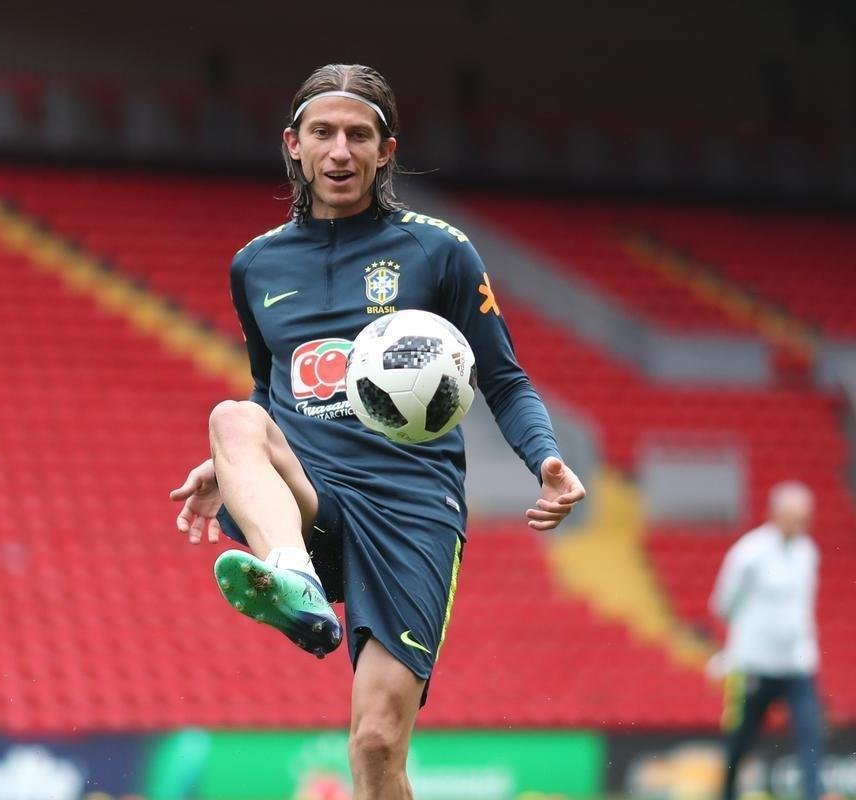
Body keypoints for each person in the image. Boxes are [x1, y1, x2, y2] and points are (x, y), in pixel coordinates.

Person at [168, 64, 586, 800]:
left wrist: (546, 459)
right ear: (292, 145)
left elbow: (507, 379)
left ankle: (294, 580)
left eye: (358, 135)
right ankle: (293, 578)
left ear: (386, 150)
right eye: (322, 134)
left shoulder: (441, 252)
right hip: (315, 497)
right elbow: (269, 388)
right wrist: (234, 460)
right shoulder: (255, 265)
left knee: (374, 744)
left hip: (409, 508)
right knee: (231, 417)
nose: (339, 151)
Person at [709, 481, 825, 800]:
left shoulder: (808, 552)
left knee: (811, 737)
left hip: (798, 664)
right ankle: (727, 795)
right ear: (775, 514)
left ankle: (813, 796)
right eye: (794, 516)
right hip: (755, 666)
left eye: (804, 517)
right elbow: (723, 604)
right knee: (741, 741)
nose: (800, 524)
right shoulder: (749, 554)